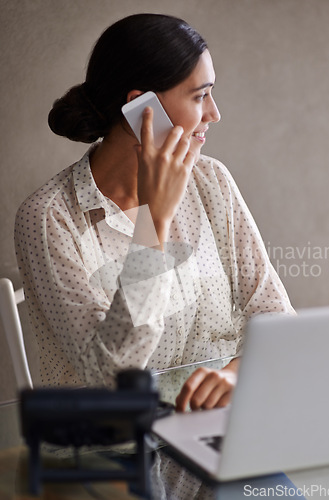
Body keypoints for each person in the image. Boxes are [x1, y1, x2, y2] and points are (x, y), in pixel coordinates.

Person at [14, 14, 294, 416]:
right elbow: (111, 377)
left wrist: (236, 374)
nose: (214, 114)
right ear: (141, 108)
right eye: (200, 96)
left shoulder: (210, 180)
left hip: (218, 428)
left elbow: (277, 317)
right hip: (110, 452)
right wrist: (154, 222)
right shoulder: (49, 219)